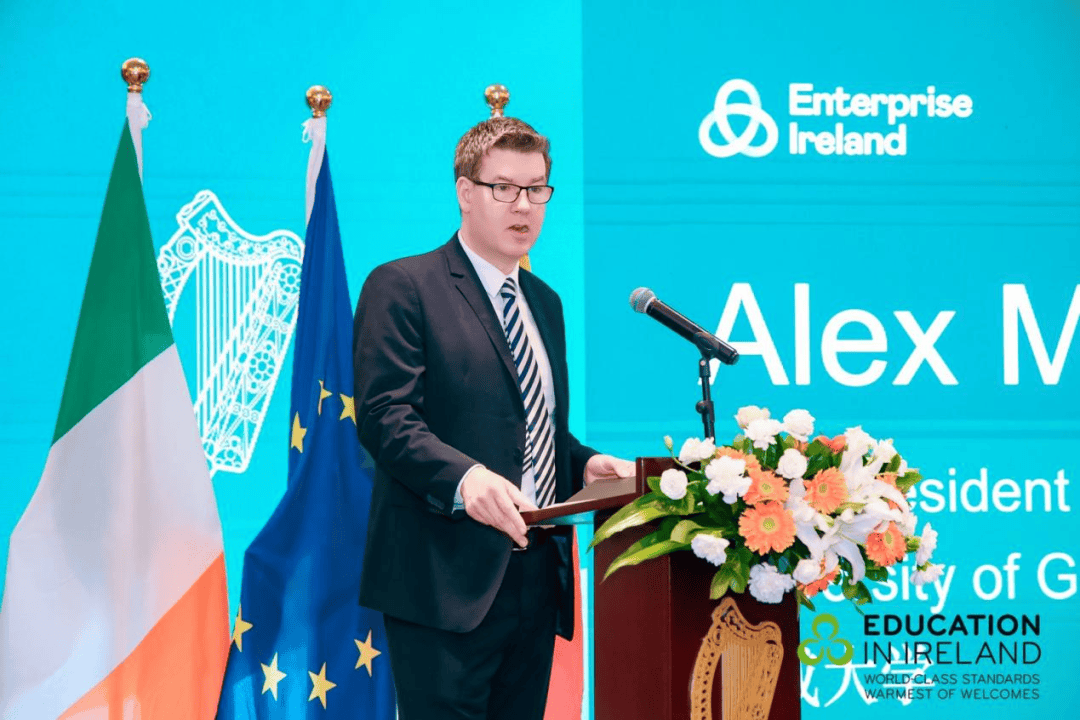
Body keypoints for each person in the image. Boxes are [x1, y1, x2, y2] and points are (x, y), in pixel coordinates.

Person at [353, 114, 634, 720]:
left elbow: (530, 429)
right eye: (504, 188)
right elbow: (384, 417)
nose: (523, 205)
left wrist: (586, 465)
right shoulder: (404, 285)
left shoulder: (545, 302)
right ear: (465, 191)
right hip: (444, 582)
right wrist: (465, 478)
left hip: (537, 575)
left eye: (536, 189)